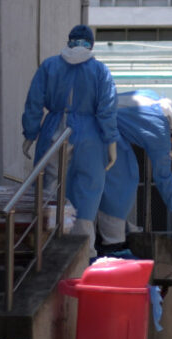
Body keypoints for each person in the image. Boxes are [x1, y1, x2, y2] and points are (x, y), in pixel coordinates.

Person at [21, 25, 118, 257]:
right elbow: (107, 108)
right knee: (87, 187)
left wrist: (30, 134)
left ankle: (44, 244)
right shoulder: (100, 71)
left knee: (47, 186)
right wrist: (111, 142)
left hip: (53, 127)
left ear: (69, 41)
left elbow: (34, 102)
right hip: (90, 134)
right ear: (91, 44)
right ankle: (84, 251)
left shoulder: (49, 66)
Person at [97, 89, 172, 250]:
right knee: (122, 183)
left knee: (125, 175)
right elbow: (163, 176)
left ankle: (119, 227)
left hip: (98, 127)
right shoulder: (159, 129)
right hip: (102, 133)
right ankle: (113, 241)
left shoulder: (152, 97)